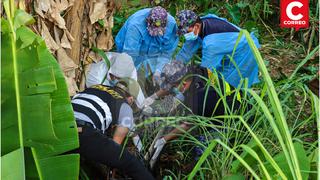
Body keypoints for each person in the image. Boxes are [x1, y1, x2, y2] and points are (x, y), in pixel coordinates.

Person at [146, 60, 246, 162]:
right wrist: (152, 98)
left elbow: (188, 125)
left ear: (184, 84)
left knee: (200, 146)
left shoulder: (199, 98)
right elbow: (170, 88)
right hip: (234, 98)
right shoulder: (195, 70)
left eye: (173, 87)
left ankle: (205, 164)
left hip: (233, 120)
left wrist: (164, 139)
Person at [72, 78, 154, 179]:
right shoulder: (125, 106)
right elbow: (116, 147)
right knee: (132, 164)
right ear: (131, 99)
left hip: (57, 124)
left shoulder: (95, 87)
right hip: (81, 131)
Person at [175, 10, 260, 89]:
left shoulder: (211, 44)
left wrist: (191, 84)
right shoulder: (202, 22)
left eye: (186, 32)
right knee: (218, 78)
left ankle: (240, 102)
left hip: (246, 51)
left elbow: (205, 71)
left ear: (196, 26)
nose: (185, 35)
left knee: (231, 85)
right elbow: (185, 52)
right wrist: (171, 70)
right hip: (229, 46)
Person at [115, 6, 179, 95]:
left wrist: (158, 71)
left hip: (153, 51)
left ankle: (148, 86)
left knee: (153, 74)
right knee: (123, 72)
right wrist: (126, 77)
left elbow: (166, 53)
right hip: (130, 48)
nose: (155, 33)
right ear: (147, 21)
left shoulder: (171, 26)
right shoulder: (135, 26)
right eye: (153, 30)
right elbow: (129, 55)